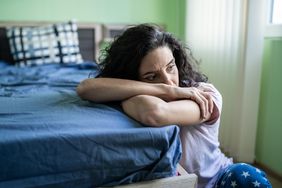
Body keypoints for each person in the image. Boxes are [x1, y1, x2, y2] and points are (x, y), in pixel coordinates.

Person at [76, 24, 272, 188]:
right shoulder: (162, 91)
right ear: (132, 78)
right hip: (176, 182)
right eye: (152, 76)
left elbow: (155, 113)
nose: (169, 81)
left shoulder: (204, 94)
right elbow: (86, 88)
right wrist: (169, 91)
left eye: (171, 67)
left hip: (218, 179)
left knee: (245, 175)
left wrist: (145, 89)